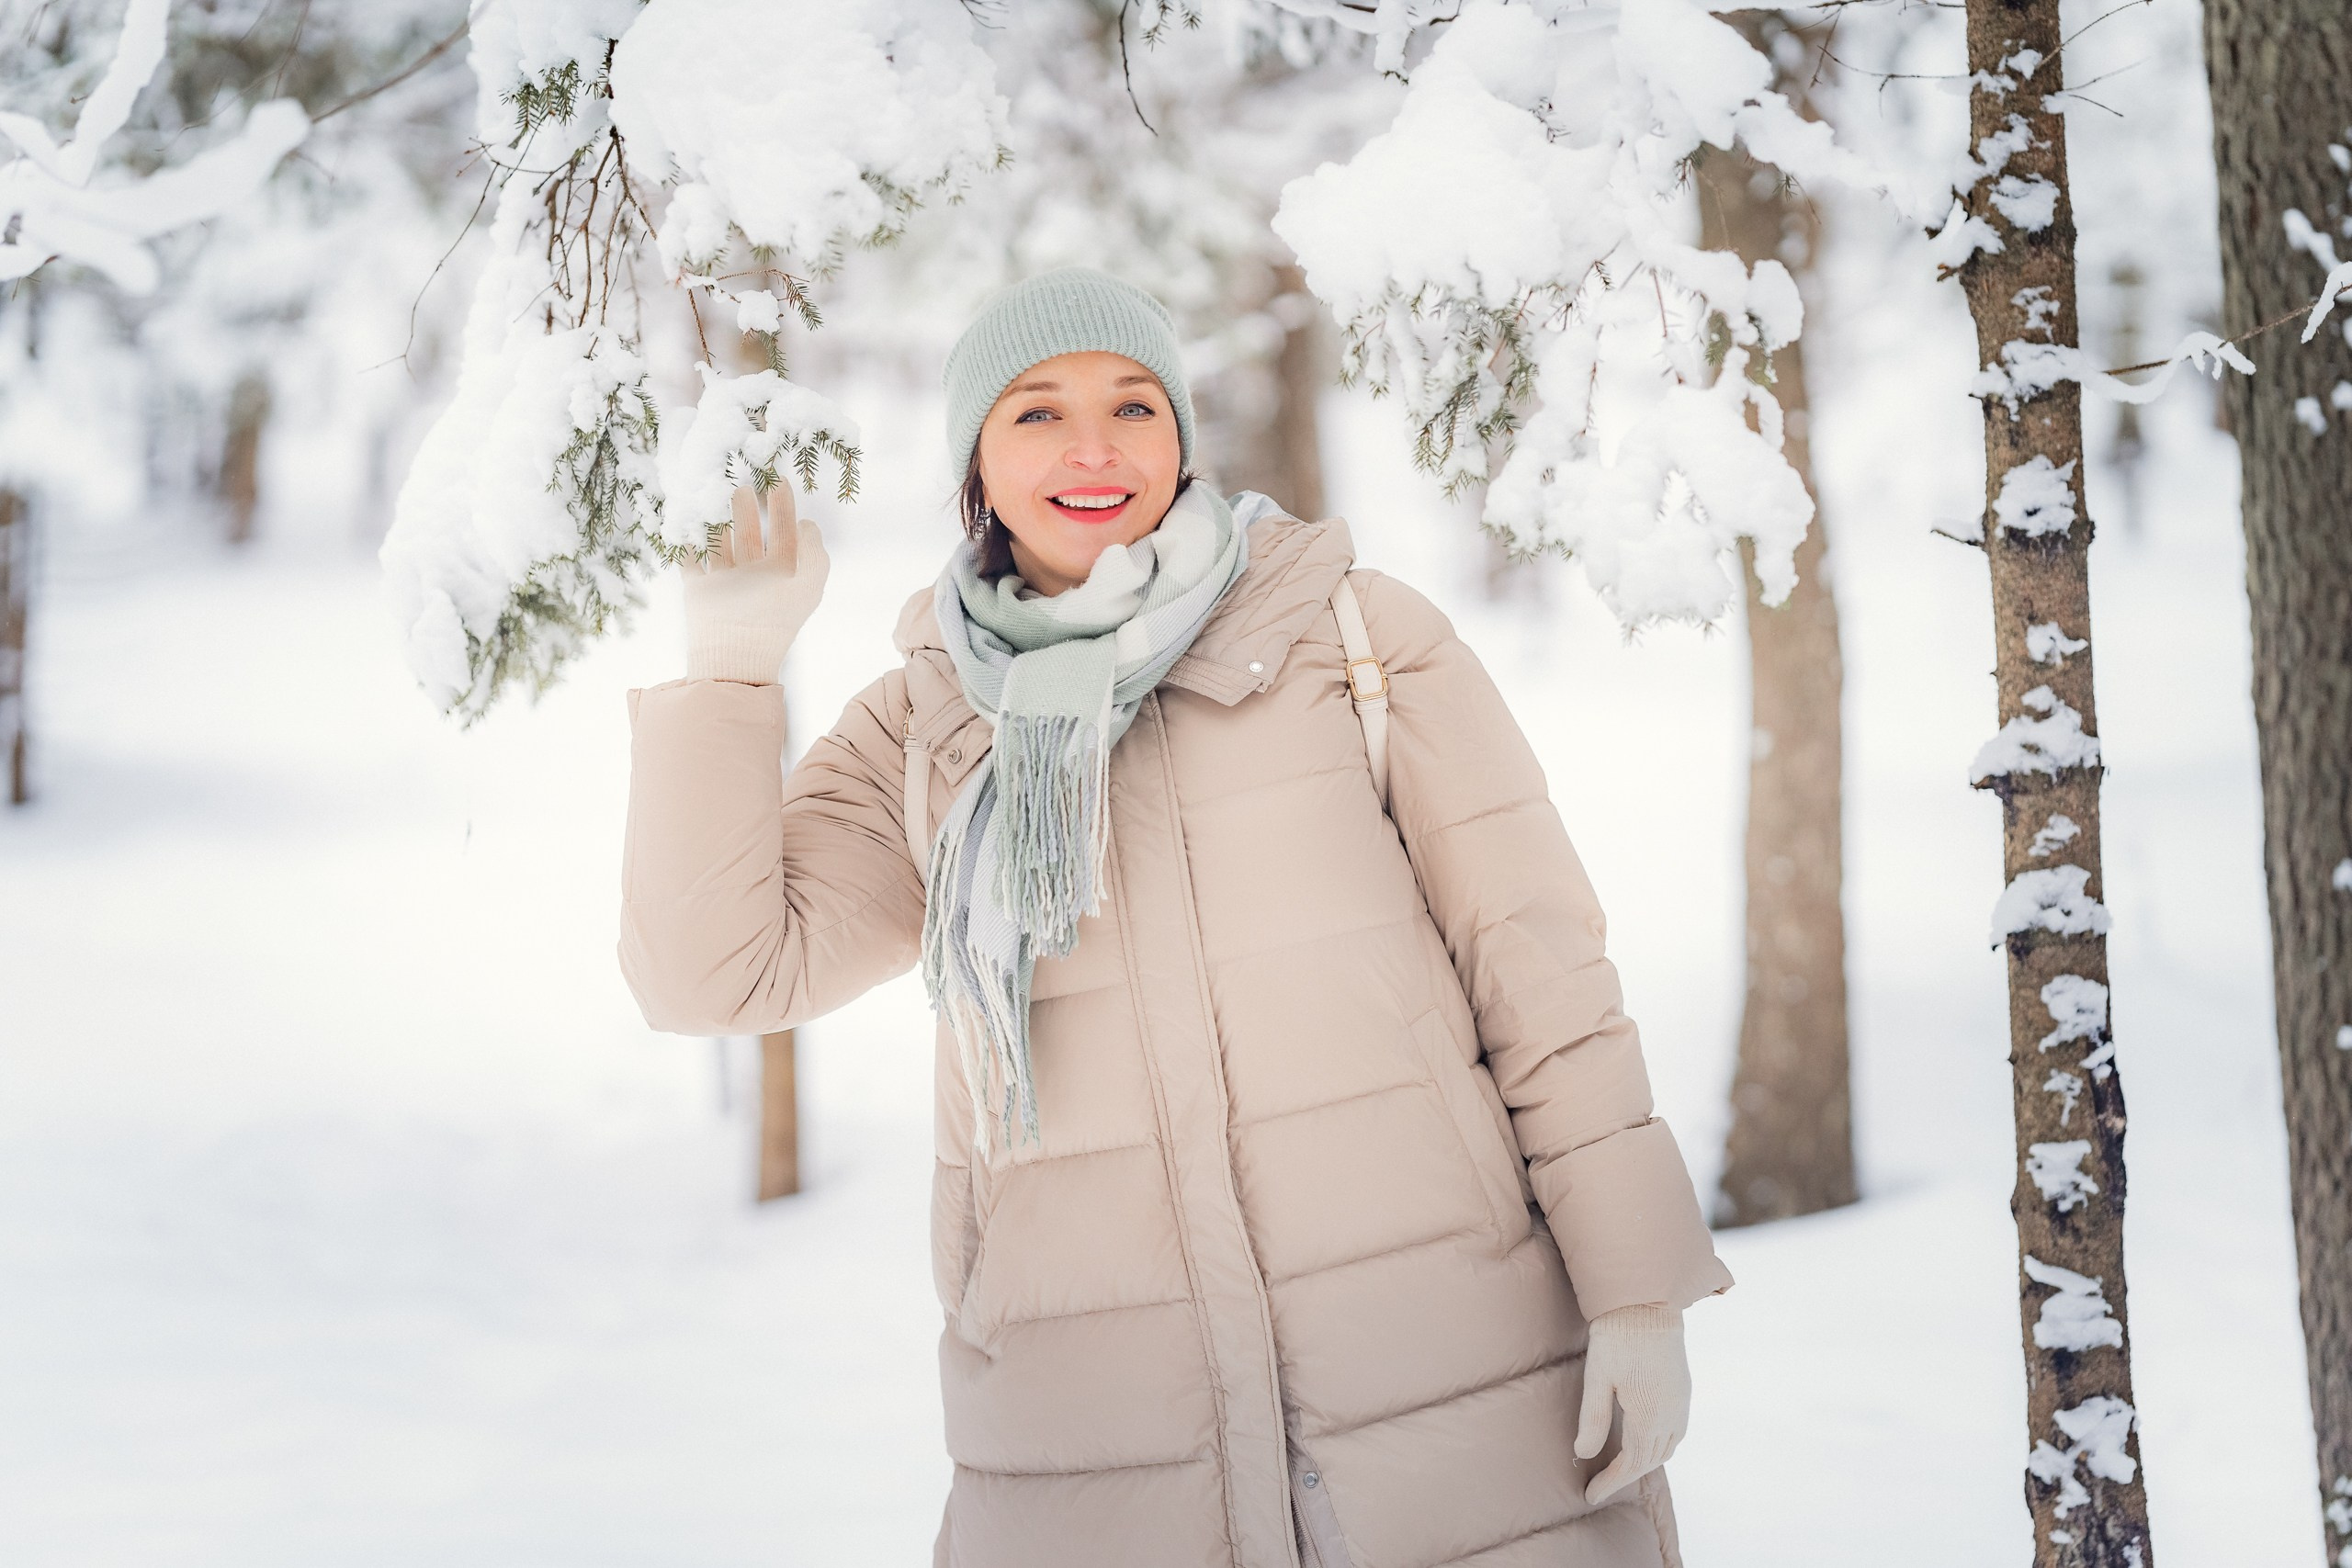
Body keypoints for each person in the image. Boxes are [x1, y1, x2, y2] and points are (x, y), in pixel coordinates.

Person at [619, 267, 1732, 1568]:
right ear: (975, 463)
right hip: (1091, 1443)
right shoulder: (926, 727)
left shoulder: (1349, 638)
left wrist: (1639, 1286)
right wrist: (733, 670)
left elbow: (1541, 973)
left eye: (1134, 406)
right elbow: (713, 978)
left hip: (1450, 1393)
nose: (1094, 449)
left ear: (1184, 440)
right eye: (1035, 413)